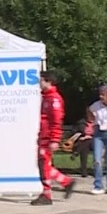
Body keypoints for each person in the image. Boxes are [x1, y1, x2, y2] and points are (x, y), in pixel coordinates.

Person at [32, 71, 76, 206]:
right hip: (44, 136)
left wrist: (55, 139)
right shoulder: (47, 97)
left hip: (48, 138)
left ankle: (47, 194)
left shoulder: (54, 99)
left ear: (48, 81)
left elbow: (56, 121)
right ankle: (66, 182)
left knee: (44, 165)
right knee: (43, 164)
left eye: (41, 80)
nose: (39, 83)